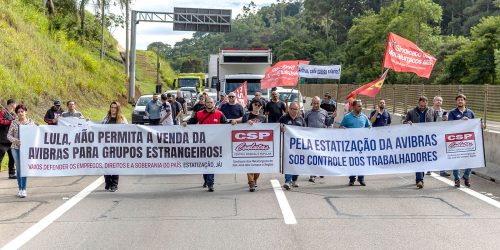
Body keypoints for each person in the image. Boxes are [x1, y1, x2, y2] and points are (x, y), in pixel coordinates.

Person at [183, 97, 229, 192]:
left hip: (215, 143)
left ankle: (210, 183)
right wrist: (185, 123)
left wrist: (232, 122)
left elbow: (226, 124)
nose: (210, 104)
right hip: (203, 143)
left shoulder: (219, 113)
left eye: (211, 102)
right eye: (208, 102)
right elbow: (192, 122)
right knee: (205, 163)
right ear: (205, 104)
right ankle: (206, 180)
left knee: (211, 163)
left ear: (214, 103)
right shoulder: (199, 114)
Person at [448, 94, 478, 188]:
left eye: (462, 100)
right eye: (458, 100)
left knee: (470, 158)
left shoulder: (470, 112)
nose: (460, 101)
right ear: (456, 102)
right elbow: (450, 125)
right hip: (456, 140)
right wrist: (461, 120)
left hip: (468, 140)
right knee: (456, 160)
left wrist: (480, 126)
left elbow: (475, 124)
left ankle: (466, 176)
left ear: (465, 101)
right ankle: (457, 179)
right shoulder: (452, 112)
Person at [403, 96, 433, 189]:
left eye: (424, 105)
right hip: (415, 140)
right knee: (418, 159)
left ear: (427, 104)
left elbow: (437, 123)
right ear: (418, 103)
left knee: (424, 159)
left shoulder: (432, 112)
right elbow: (404, 122)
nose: (422, 107)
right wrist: (407, 123)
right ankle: (419, 180)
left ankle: (420, 178)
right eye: (421, 105)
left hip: (428, 140)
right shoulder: (411, 112)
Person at [340, 99, 371, 186]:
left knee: (362, 162)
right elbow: (341, 126)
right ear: (353, 107)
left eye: (361, 106)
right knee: (352, 162)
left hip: (362, 144)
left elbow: (369, 127)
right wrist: (343, 129)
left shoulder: (364, 117)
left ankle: (361, 179)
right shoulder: (347, 117)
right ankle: (352, 179)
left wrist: (370, 128)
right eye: (359, 106)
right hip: (351, 144)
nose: (361, 108)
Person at [7, 104, 36, 198]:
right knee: (19, 169)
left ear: (25, 112)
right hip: (15, 148)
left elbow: (37, 133)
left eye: (22, 111)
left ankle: (24, 189)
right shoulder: (14, 123)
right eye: (18, 112)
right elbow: (8, 135)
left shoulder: (31, 122)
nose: (20, 113)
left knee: (24, 169)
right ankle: (20, 189)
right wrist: (15, 140)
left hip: (27, 149)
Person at [240, 98, 267, 192]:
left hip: (259, 145)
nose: (257, 106)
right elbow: (240, 129)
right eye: (255, 104)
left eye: (259, 105)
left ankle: (255, 179)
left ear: (261, 107)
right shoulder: (246, 115)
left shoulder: (263, 118)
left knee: (258, 166)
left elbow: (267, 131)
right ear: (252, 105)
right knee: (249, 164)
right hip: (247, 145)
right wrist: (246, 123)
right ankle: (251, 183)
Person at [304, 96, 333, 183]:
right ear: (312, 103)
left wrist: (333, 118)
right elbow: (303, 123)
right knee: (312, 156)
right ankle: (312, 175)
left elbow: (328, 123)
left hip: (321, 139)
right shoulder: (307, 113)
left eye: (317, 103)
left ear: (320, 103)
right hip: (311, 138)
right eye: (314, 103)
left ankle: (320, 170)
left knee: (320, 156)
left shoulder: (324, 112)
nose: (316, 105)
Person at [101, 101, 128, 192]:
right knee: (106, 165)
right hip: (106, 146)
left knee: (115, 165)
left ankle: (114, 184)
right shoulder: (106, 118)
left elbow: (128, 131)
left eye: (115, 108)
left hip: (117, 146)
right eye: (112, 107)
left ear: (118, 109)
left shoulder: (122, 119)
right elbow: (98, 129)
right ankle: (108, 182)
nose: (113, 109)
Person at [279, 102, 306, 190]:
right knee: (288, 163)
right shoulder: (283, 118)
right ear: (289, 109)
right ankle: (287, 181)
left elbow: (306, 131)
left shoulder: (301, 119)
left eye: (296, 109)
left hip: (298, 146)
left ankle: (294, 180)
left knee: (297, 163)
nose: (294, 111)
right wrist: (281, 129)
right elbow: (277, 128)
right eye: (292, 109)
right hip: (287, 146)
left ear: (298, 110)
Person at [427, 96, 450, 177]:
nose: (439, 102)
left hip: (440, 135)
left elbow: (447, 124)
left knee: (442, 153)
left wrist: (446, 119)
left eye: (440, 100)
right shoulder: (428, 110)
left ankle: (442, 170)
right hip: (431, 135)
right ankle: (429, 169)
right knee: (431, 152)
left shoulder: (444, 111)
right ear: (433, 101)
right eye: (437, 100)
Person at [0, 99, 17, 179]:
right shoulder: (2, 112)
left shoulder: (13, 115)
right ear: (11, 104)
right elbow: (1, 121)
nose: (15, 106)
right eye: (15, 104)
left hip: (11, 140)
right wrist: (10, 122)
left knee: (12, 157)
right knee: (0, 158)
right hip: (2, 139)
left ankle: (11, 173)